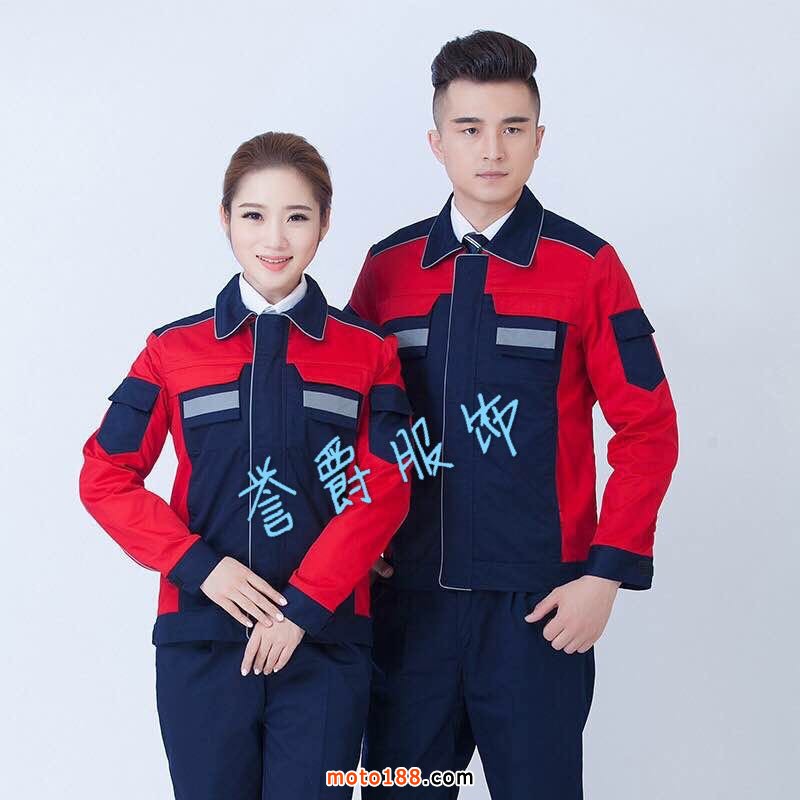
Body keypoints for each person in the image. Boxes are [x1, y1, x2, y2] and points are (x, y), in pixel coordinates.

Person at [345, 31, 679, 799]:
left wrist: (605, 574)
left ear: (539, 138)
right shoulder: (388, 269)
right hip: (409, 612)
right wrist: (354, 539)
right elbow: (345, 418)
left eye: (512, 128)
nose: (491, 150)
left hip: (538, 615)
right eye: (469, 129)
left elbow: (648, 429)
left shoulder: (585, 267)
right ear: (437, 142)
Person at [79, 131, 412, 800]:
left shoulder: (367, 352)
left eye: (298, 216)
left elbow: (386, 485)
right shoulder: (172, 351)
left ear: (325, 223)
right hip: (200, 644)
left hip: (325, 644)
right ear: (225, 218)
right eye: (254, 214)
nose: (275, 238)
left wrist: (305, 607)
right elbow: (105, 476)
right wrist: (201, 567)